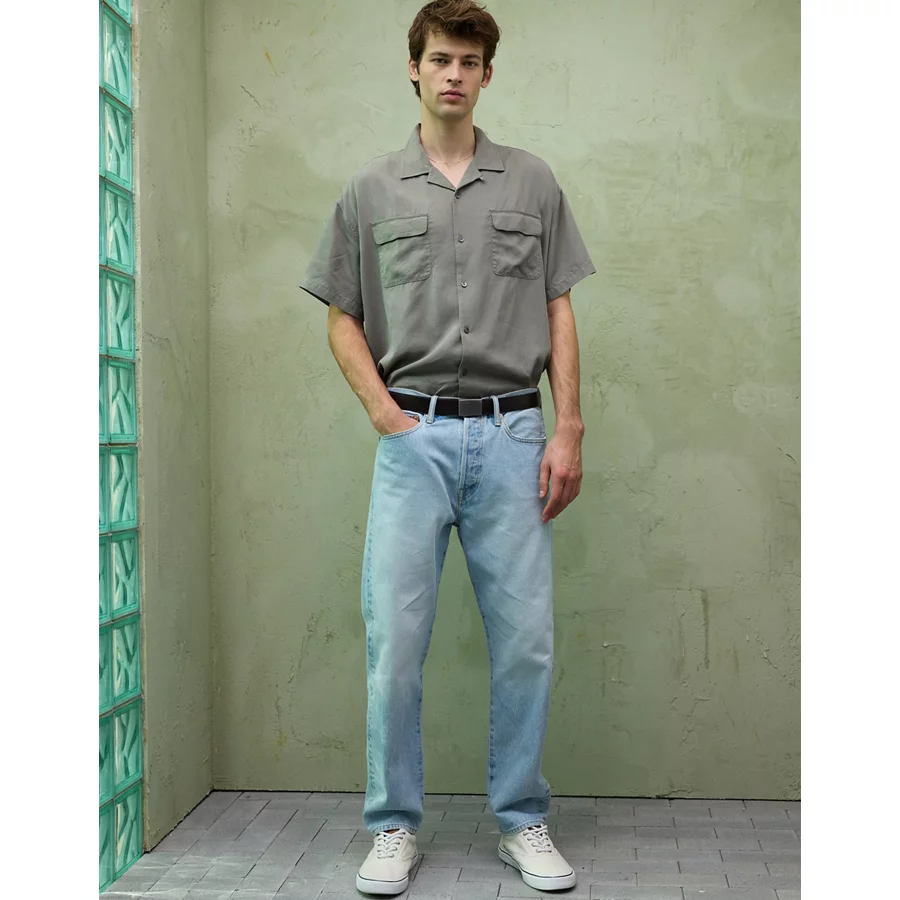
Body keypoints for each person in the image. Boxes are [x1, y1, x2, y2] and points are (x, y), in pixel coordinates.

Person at [299, 0, 596, 894]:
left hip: (514, 435)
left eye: (469, 60)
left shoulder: (532, 183)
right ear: (415, 68)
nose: (454, 73)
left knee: (527, 643)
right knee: (395, 643)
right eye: (440, 58)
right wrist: (386, 415)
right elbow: (342, 316)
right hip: (415, 438)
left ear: (487, 75)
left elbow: (557, 307)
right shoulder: (370, 190)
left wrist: (568, 425)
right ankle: (393, 827)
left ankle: (522, 820)